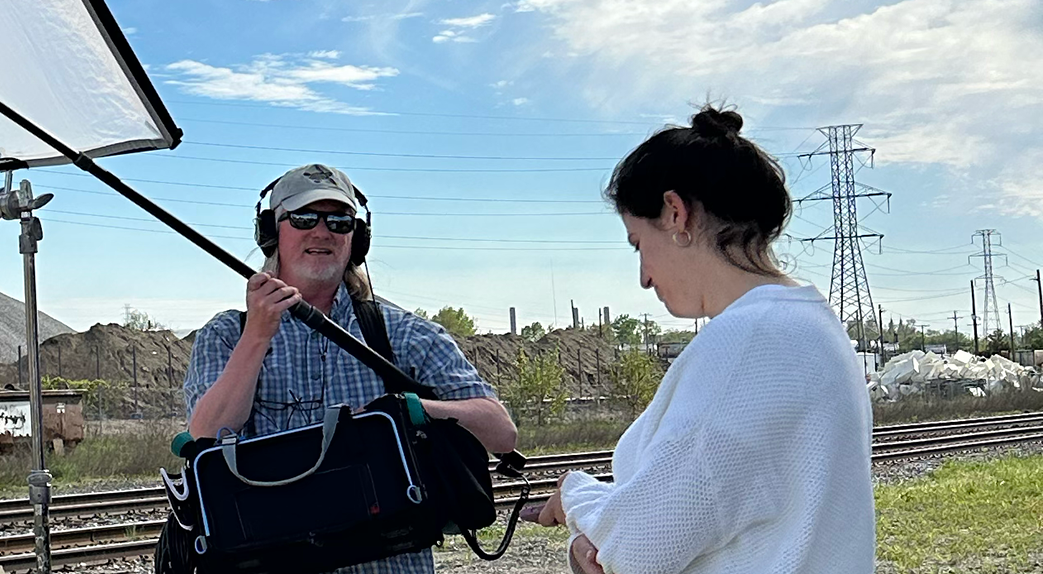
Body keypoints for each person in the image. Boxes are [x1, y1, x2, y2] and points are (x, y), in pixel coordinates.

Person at [525, 107, 872, 573]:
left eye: (638, 244)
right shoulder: (813, 326)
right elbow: (715, 502)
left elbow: (633, 551)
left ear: (675, 213)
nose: (644, 277)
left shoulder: (748, 343)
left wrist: (574, 496)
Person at [179, 163, 518, 574]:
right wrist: (257, 336)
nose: (322, 232)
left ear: (357, 239)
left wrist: (412, 409)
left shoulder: (401, 333)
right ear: (272, 232)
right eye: (304, 217)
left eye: (339, 221)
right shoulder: (228, 335)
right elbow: (206, 436)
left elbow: (501, 432)